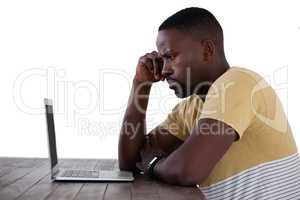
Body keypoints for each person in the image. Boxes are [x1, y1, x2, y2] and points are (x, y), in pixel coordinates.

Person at [118, 7, 300, 199]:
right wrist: (141, 84)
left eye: (170, 57)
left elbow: (186, 170)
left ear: (207, 50)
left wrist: (154, 165)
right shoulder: (189, 108)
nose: (163, 70)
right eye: (161, 60)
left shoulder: (238, 83)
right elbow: (132, 161)